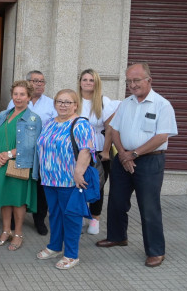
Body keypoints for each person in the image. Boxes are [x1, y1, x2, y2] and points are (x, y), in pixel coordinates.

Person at [98, 63, 177, 268]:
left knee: (149, 207)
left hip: (150, 161)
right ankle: (117, 237)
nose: (132, 85)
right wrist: (123, 154)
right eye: (129, 81)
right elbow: (113, 129)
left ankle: (156, 251)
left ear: (148, 80)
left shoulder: (162, 105)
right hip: (123, 158)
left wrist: (133, 154)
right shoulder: (126, 103)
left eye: (136, 80)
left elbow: (161, 136)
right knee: (116, 200)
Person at [35, 89, 94, 270]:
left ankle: (71, 254)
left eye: (68, 102)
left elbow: (86, 150)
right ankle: (54, 246)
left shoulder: (80, 124)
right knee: (54, 214)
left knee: (71, 217)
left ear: (76, 105)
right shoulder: (50, 123)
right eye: (60, 101)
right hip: (49, 179)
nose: (63, 105)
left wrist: (78, 173)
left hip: (70, 180)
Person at [0, 80, 42, 251]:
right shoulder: (3, 115)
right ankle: (5, 230)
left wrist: (8, 154)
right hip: (0, 162)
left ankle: (18, 233)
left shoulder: (33, 119)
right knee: (4, 199)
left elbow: (30, 146)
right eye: (15, 94)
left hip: (19, 163)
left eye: (22, 94)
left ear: (29, 97)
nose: (18, 97)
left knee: (17, 201)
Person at [8, 70, 58, 235]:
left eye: (42, 81)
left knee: (40, 188)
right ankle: (15, 220)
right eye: (35, 81)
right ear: (28, 82)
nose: (39, 84)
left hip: (42, 153)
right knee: (19, 184)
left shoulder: (52, 104)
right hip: (21, 151)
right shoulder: (14, 102)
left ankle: (39, 220)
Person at [78, 68, 119, 235]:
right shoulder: (74, 100)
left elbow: (110, 128)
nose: (88, 83)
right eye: (85, 79)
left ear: (97, 83)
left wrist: (107, 151)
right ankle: (79, 214)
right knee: (77, 183)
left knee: (97, 184)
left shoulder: (104, 102)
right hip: (78, 149)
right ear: (80, 82)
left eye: (91, 80)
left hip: (99, 150)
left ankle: (95, 218)